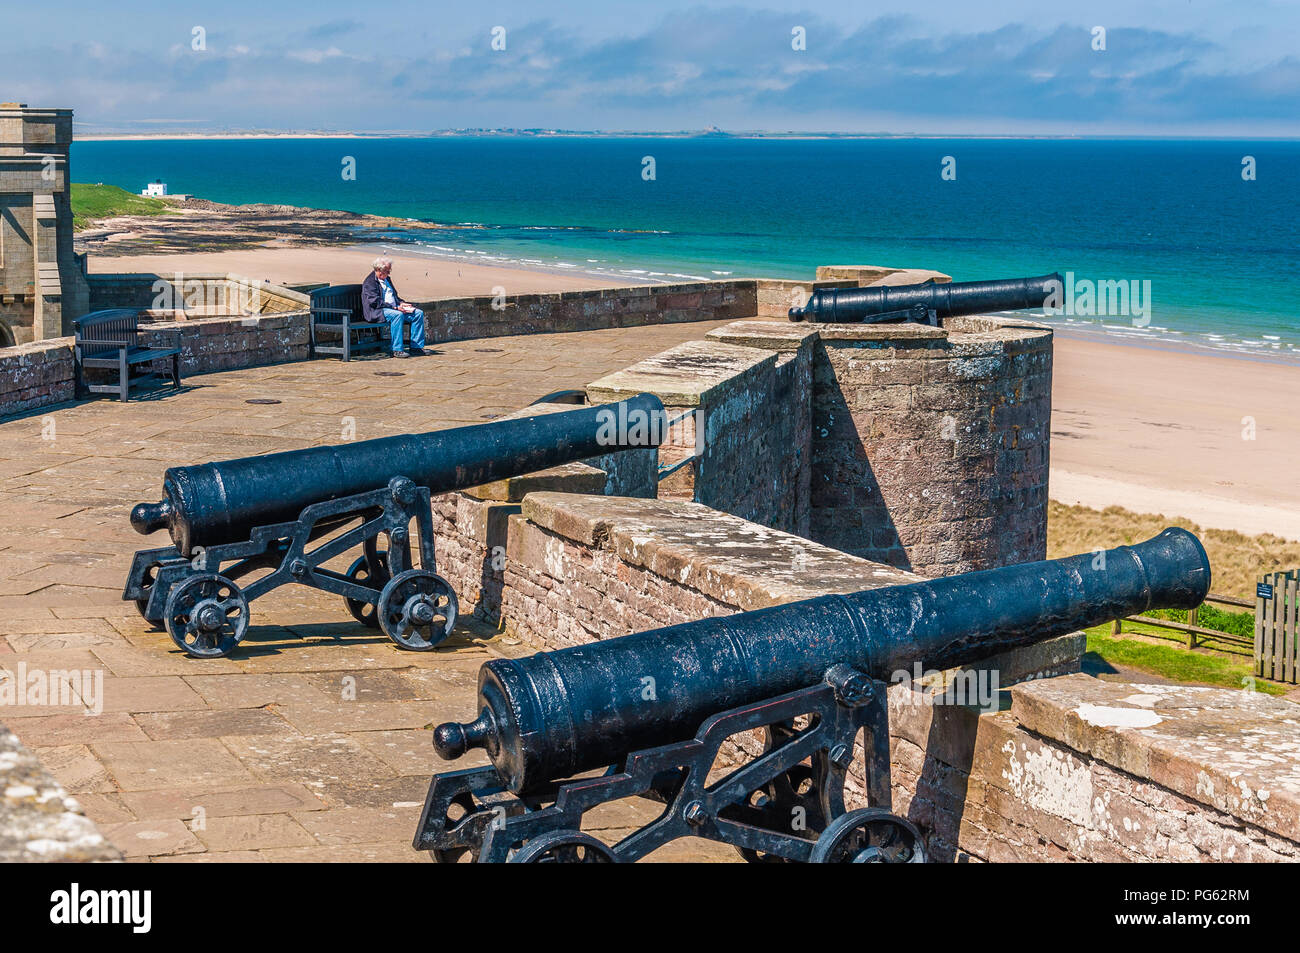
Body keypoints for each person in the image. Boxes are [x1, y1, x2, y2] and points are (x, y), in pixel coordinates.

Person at [361, 256, 426, 358]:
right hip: (377, 312)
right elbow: (375, 302)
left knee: (418, 313)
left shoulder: (387, 279)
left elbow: (394, 296)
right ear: (379, 270)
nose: (389, 273)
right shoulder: (370, 282)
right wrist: (394, 308)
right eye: (387, 271)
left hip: (392, 309)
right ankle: (397, 349)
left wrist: (401, 303)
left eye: (389, 270)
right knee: (397, 315)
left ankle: (416, 347)